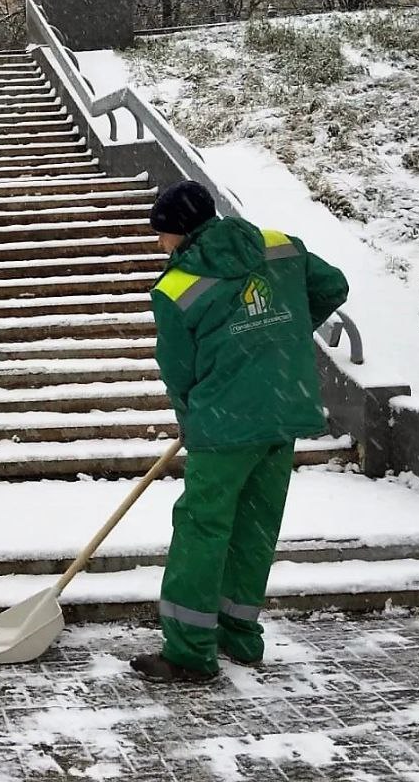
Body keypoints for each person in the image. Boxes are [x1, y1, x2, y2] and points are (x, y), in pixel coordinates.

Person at [131, 180, 349, 684]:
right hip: (284, 409)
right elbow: (333, 286)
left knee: (202, 530)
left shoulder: (175, 287)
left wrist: (193, 413)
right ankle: (239, 635)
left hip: (225, 423)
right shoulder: (278, 246)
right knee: (255, 527)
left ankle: (188, 651)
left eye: (161, 235)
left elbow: (179, 372)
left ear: (180, 233)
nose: (160, 245)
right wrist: (283, 334)